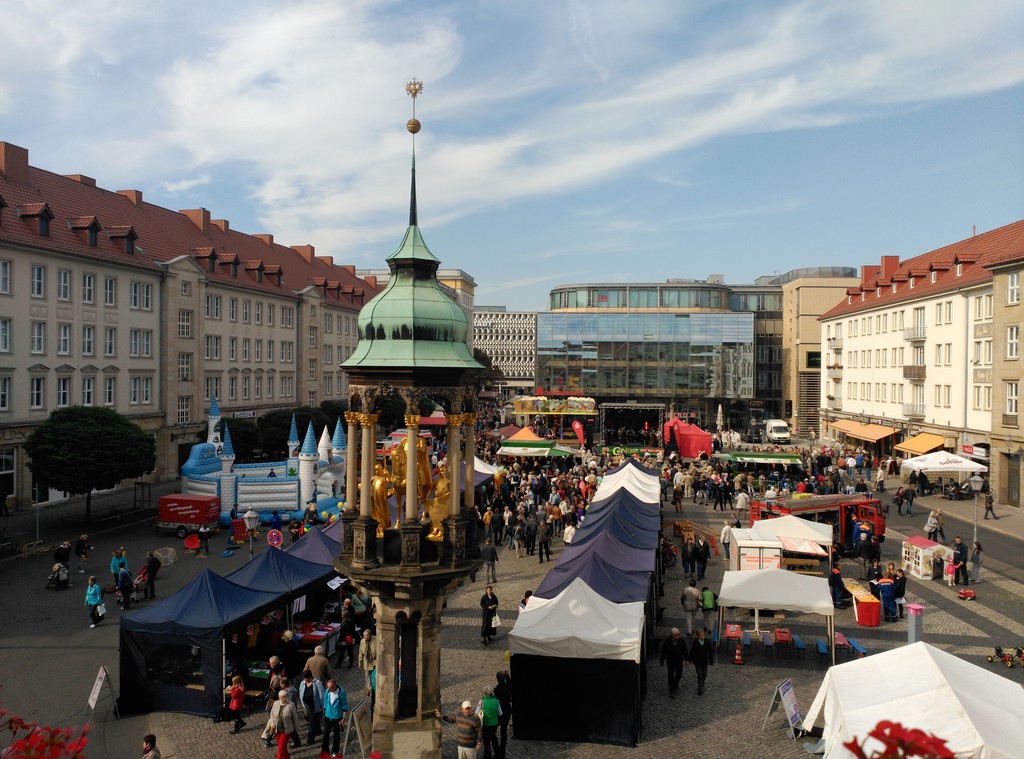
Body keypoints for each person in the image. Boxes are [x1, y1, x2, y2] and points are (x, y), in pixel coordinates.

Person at [263, 689, 300, 759]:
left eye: (285, 696)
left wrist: (297, 728)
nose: (285, 698)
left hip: (286, 730)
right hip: (277, 730)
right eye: (283, 697)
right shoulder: (276, 703)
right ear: (279, 697)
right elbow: (272, 714)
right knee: (283, 748)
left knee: (280, 749)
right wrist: (272, 723)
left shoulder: (291, 705)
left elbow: (295, 717)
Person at [320, 678, 349, 759]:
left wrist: (344, 718)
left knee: (336, 735)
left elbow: (344, 706)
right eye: (327, 687)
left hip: (337, 717)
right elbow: (325, 701)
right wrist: (324, 711)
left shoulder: (341, 693)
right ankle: (325, 751)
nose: (328, 689)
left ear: (334, 686)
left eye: (330, 687)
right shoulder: (327, 691)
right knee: (325, 734)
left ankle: (334, 751)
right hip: (328, 716)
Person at [659, 627, 687, 698]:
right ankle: (672, 691)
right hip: (671, 662)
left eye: (679, 634)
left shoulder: (681, 641)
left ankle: (674, 684)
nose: (678, 636)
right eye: (676, 634)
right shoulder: (667, 642)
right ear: (672, 634)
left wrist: (687, 659)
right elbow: (663, 652)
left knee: (679, 674)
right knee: (670, 677)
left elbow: (685, 651)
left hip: (679, 662)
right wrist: (662, 660)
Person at [298, 670, 324, 746]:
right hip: (307, 706)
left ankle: (310, 739)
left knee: (311, 723)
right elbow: (300, 692)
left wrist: (323, 707)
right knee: (314, 720)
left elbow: (321, 695)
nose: (304, 680)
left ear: (310, 677)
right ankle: (318, 731)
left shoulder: (317, 683)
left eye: (306, 678)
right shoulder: (303, 683)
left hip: (315, 706)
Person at [686, 628, 714, 695]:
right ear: (698, 636)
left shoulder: (707, 642)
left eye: (704, 635)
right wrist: (689, 660)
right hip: (697, 662)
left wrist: (711, 661)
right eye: (702, 635)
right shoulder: (695, 643)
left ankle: (702, 682)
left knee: (704, 674)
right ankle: (700, 689)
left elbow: (710, 652)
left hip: (704, 661)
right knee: (700, 675)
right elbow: (692, 652)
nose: (703, 636)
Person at [478, 686, 502, 759]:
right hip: (494, 724)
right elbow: (500, 713)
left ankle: (487, 756)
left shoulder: (482, 702)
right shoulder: (496, 701)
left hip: (486, 724)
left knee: (487, 741)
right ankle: (498, 754)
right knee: (493, 737)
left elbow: (476, 712)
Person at [494, 671, 512, 758]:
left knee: (492, 731)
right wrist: (507, 676)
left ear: (497, 679)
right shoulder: (508, 687)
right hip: (507, 712)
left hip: (499, 713)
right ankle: (502, 751)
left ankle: (498, 751)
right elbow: (511, 683)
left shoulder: (496, 690)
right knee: (503, 732)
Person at [357, 629, 377, 696]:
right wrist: (360, 662)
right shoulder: (362, 641)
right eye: (363, 635)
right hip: (367, 662)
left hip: (374, 662)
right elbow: (360, 652)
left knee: (373, 676)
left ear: (370, 635)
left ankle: (374, 689)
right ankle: (369, 689)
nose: (364, 637)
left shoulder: (376, 640)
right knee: (367, 676)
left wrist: (377, 660)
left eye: (365, 635)